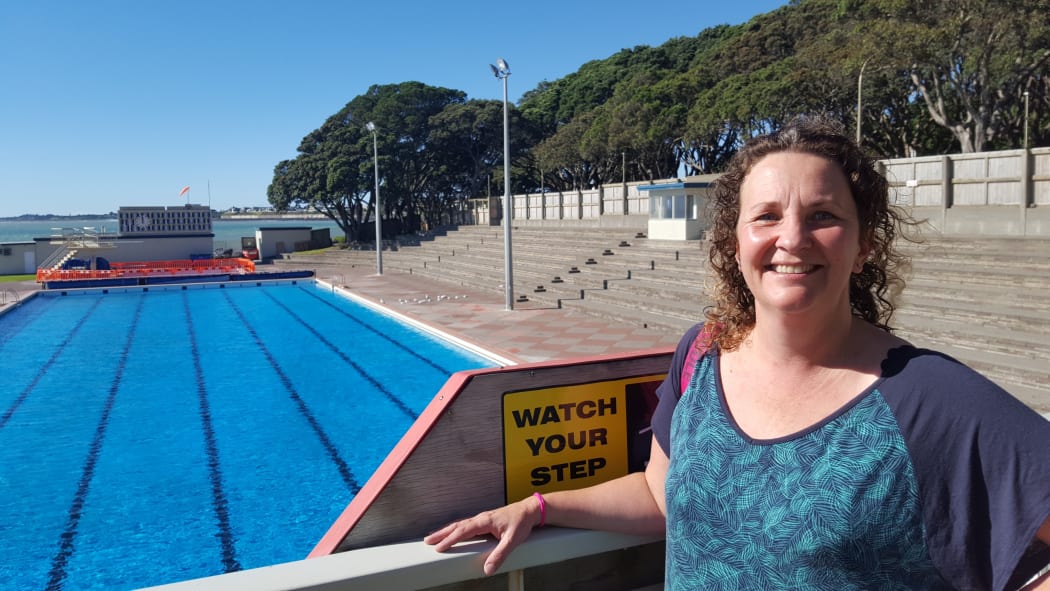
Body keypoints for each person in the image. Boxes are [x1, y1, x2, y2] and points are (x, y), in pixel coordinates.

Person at [425, 117, 1050, 590]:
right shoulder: (701, 354)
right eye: (767, 216)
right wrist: (538, 506)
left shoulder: (929, 397)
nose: (793, 238)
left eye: (824, 215)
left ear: (864, 247)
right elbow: (660, 496)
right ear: (733, 244)